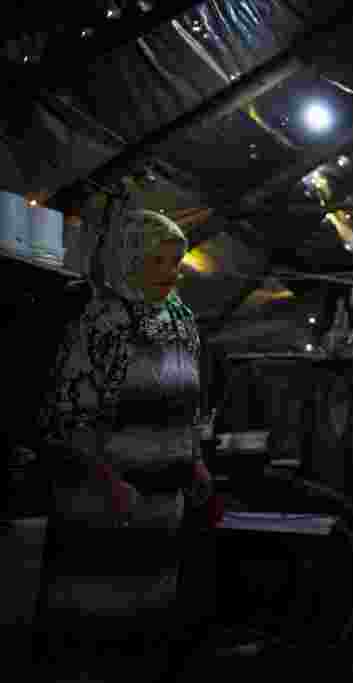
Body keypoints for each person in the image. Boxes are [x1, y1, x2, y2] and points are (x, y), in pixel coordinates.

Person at [36, 202, 219, 678]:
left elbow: (186, 401)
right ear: (128, 259)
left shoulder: (180, 317)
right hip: (105, 502)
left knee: (148, 621)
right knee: (96, 628)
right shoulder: (100, 321)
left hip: (160, 504)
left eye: (176, 262)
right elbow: (68, 416)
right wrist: (105, 481)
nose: (172, 274)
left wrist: (193, 460)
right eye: (158, 261)